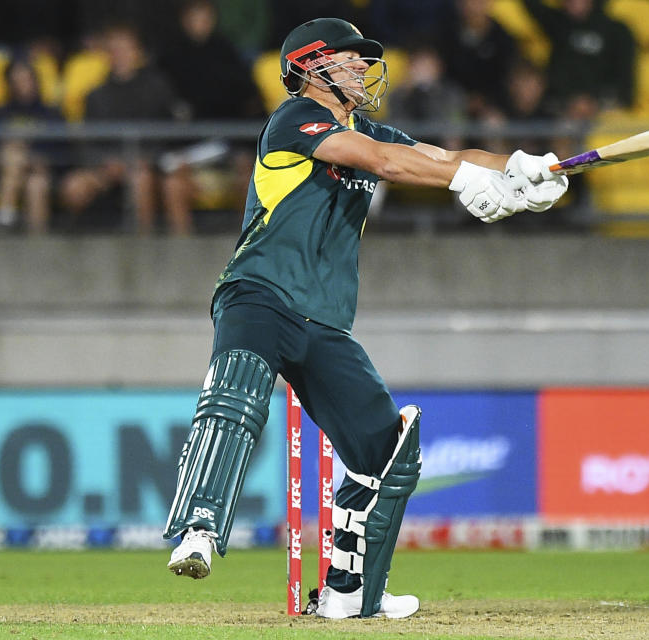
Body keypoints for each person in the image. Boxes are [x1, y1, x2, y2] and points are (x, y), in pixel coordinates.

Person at [160, 18, 568, 619]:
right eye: (348, 59)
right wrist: (468, 180)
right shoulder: (294, 119)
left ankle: (349, 592)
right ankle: (198, 528)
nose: (362, 68)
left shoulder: (370, 127)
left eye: (363, 59)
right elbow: (387, 163)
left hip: (324, 318)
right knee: (238, 396)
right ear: (308, 67)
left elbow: (443, 155)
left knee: (388, 451)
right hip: (259, 293)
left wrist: (524, 168)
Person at [60, 24, 194, 233]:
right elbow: (86, 142)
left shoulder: (158, 88)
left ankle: (143, 246)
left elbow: (170, 135)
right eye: (113, 50)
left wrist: (139, 159)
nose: (119, 55)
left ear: (137, 52)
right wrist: (106, 164)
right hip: (107, 166)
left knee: (142, 178)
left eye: (124, 49)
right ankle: (74, 250)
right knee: (73, 187)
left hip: (148, 164)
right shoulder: (96, 95)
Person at [0, 57, 66, 233]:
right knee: (13, 155)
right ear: (9, 84)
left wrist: (34, 157)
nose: (23, 85)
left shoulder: (51, 114)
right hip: (1, 173)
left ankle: (9, 221)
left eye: (26, 79)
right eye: (16, 81)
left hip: (42, 173)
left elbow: (62, 151)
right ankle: (7, 218)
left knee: (36, 184)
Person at [524, 0, 636, 121]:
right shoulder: (556, 23)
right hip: (561, 108)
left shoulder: (618, 31)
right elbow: (531, 5)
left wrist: (594, 102)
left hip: (605, 109)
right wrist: (571, 102)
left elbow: (624, 82)